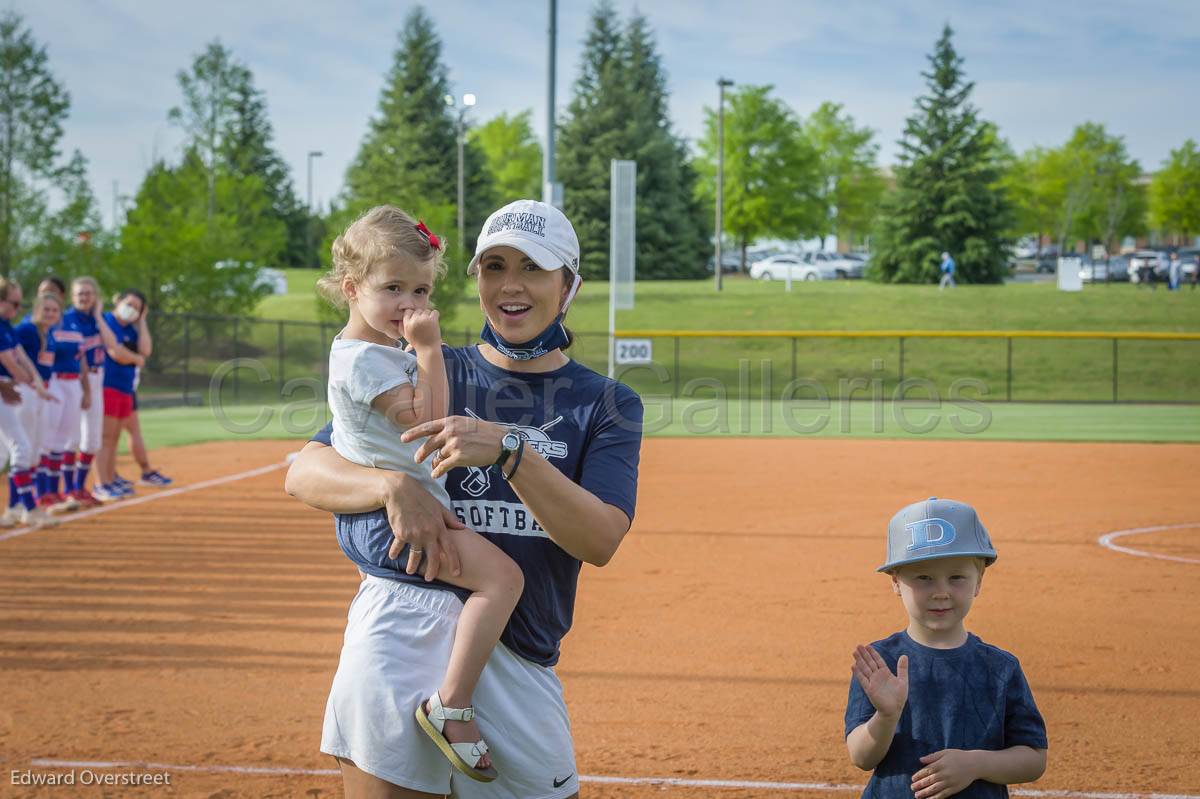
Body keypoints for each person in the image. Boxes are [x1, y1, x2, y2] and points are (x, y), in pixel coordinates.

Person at [285, 198, 643, 799]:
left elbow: (600, 539)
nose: (511, 286)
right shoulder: (423, 365)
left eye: (532, 268)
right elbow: (305, 471)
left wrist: (510, 453)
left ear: (569, 285)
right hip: (401, 636)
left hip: (518, 660)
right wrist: (390, 486)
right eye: (494, 266)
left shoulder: (605, 402)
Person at [317, 206, 524, 781]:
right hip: (397, 517)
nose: (409, 304)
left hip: (401, 505)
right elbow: (430, 422)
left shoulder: (372, 351)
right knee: (503, 579)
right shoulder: (365, 362)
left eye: (422, 289)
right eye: (393, 289)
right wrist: (429, 349)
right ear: (352, 289)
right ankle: (450, 705)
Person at [845, 497, 1048, 798]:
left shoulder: (1001, 667)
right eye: (924, 578)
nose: (941, 592)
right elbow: (861, 757)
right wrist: (886, 717)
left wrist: (976, 764)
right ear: (896, 581)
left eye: (956, 577)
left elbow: (1034, 759)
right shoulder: (879, 663)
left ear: (979, 580)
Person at [91, 289, 171, 502]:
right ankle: (102, 484)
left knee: (114, 438)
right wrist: (135, 359)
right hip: (107, 385)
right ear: (117, 301)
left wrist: (142, 321)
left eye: (137, 308)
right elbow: (115, 352)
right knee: (105, 438)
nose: (132, 310)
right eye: (129, 304)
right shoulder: (107, 321)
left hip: (125, 388)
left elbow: (145, 351)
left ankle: (110, 479)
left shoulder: (132, 329)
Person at [0, 279, 57, 529]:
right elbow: (10, 363)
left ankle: (15, 509)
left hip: (9, 386)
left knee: (4, 452)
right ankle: (30, 510)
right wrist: (25, 382)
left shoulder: (6, 326)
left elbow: (21, 356)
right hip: (5, 387)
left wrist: (34, 382)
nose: (18, 307)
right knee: (20, 447)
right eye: (14, 302)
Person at [14, 293, 65, 514]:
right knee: (23, 449)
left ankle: (26, 502)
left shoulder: (49, 332)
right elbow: (13, 356)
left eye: (54, 310)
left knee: (35, 449)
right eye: (46, 309)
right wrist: (29, 380)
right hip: (26, 389)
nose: (50, 314)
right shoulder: (26, 329)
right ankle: (17, 505)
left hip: (42, 390)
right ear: (36, 309)